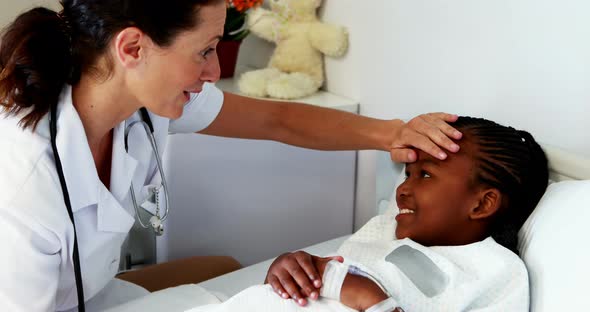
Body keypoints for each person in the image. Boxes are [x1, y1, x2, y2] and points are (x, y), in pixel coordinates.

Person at [0, 0, 462, 311]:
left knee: (219, 267)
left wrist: (393, 134)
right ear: (133, 48)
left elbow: (277, 121)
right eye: (204, 50)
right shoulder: (23, 188)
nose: (215, 71)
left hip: (93, 292)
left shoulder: (138, 98)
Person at [257, 116, 549, 311]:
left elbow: (351, 286)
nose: (402, 190)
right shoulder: (382, 231)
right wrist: (290, 271)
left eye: (424, 175)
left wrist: (369, 298)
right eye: (407, 173)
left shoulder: (495, 271)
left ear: (482, 204)